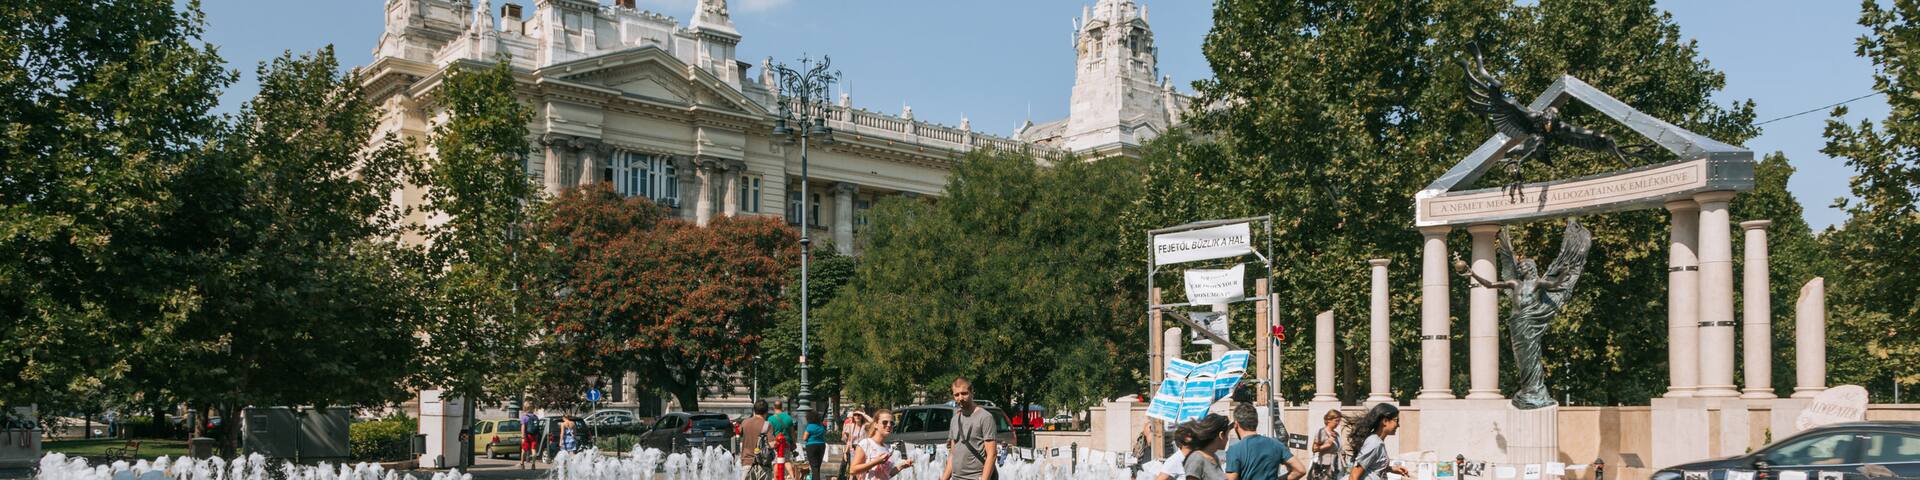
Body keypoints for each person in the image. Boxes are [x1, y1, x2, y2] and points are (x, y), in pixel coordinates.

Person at [1225, 403, 1306, 480]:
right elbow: (1300, 470)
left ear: (1236, 424)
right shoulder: (1276, 444)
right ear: (1256, 422)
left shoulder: (1234, 450)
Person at [940, 378, 997, 480]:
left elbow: (992, 454)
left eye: (964, 393)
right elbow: (953, 454)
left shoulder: (985, 417)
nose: (960, 398)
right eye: (956, 395)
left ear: (972, 392)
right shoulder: (954, 419)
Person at [1345, 404, 1409, 480]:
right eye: (1396, 420)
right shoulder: (1374, 443)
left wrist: (1392, 469)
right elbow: (1353, 476)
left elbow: (1372, 468)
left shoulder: (1377, 441)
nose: (1398, 425)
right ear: (1385, 421)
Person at [850, 411, 913, 480]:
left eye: (892, 423)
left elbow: (887, 474)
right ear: (875, 425)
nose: (889, 425)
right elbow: (852, 470)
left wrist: (902, 466)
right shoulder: (866, 443)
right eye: (885, 422)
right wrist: (876, 462)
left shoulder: (887, 447)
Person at [1176, 414, 1232, 480]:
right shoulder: (1196, 459)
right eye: (1227, 435)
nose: (1228, 439)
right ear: (1221, 435)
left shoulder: (1214, 457)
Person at [1308, 410, 1344, 480]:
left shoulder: (1336, 434)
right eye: (1336, 421)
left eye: (1339, 421)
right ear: (1328, 420)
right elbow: (1314, 449)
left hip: (1335, 466)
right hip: (1324, 466)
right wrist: (1327, 445)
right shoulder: (1321, 432)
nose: (1338, 423)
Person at [741, 401, 771, 466]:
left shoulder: (745, 422)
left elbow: (738, 435)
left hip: (746, 462)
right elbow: (772, 444)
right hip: (762, 464)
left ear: (754, 410)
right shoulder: (767, 425)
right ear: (766, 412)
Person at [804, 410, 828, 480]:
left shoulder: (809, 426)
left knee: (814, 466)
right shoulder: (821, 426)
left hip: (811, 446)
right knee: (818, 465)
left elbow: (804, 438)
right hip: (821, 445)